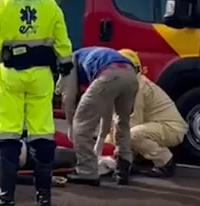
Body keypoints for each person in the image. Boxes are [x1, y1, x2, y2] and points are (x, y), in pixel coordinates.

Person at [0, 0, 73, 206]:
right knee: (42, 135)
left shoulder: (3, 6)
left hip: (10, 76)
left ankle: (5, 197)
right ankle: (43, 198)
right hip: (41, 77)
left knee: (7, 134)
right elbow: (63, 44)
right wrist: (64, 71)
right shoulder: (50, 5)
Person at [57, 47, 139, 187]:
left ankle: (87, 171)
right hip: (130, 75)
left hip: (109, 75)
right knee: (122, 121)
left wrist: (71, 125)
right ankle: (123, 167)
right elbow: (107, 109)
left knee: (81, 124)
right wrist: (101, 137)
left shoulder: (70, 59)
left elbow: (68, 96)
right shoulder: (92, 54)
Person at [115, 49, 187, 178]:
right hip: (161, 125)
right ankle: (139, 157)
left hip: (171, 128)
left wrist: (117, 152)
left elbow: (132, 122)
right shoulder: (130, 84)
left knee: (132, 135)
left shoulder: (137, 87)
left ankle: (165, 163)